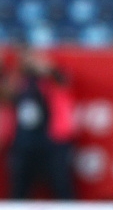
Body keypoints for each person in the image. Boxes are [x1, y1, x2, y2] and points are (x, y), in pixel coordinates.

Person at [5, 49, 76, 200]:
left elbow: (63, 81)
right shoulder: (20, 81)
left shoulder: (52, 79)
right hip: (24, 142)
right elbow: (7, 95)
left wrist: (47, 69)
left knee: (61, 184)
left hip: (53, 141)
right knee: (19, 187)